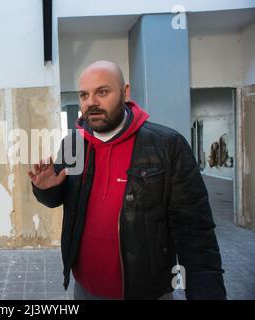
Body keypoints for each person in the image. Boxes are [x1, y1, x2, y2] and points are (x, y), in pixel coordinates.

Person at [27, 60, 226, 300]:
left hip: (146, 292)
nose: (91, 102)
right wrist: (46, 190)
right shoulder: (73, 144)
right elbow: (60, 198)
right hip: (84, 288)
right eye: (84, 95)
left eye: (102, 92)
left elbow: (196, 234)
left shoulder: (167, 145)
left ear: (125, 92)